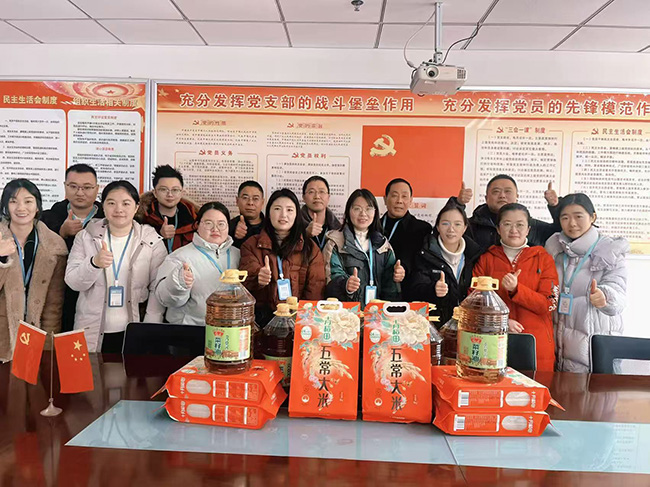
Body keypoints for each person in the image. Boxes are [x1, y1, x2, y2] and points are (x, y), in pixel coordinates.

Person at [65, 181, 167, 353]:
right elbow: (72, 282)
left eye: (126, 203)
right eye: (111, 203)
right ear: (103, 207)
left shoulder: (151, 241)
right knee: (92, 371)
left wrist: (149, 329)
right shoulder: (86, 237)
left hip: (135, 330)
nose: (119, 209)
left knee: (130, 371)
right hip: (90, 330)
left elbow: (157, 289)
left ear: (136, 207)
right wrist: (94, 263)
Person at [545, 194, 628, 373]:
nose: (572, 223)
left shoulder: (609, 251)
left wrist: (604, 296)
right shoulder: (554, 250)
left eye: (578, 216)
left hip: (594, 345)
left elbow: (618, 290)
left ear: (593, 217)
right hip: (557, 343)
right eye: (565, 218)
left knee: (593, 389)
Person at [473, 203, 559, 371]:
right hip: (492, 342)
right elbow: (474, 301)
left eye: (520, 225)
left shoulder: (543, 258)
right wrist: (502, 321)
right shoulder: (486, 259)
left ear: (528, 229)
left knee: (535, 386)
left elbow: (548, 304)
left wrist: (517, 290)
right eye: (507, 224)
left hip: (536, 345)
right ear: (498, 229)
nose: (514, 230)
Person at [0, 179, 67, 361]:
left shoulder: (55, 245)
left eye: (28, 201)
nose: (21, 208)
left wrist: (48, 347)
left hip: (35, 336)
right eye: (13, 201)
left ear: (37, 206)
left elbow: (53, 305)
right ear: (5, 206)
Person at [239, 188, 325, 326]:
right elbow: (244, 284)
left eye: (289, 210)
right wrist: (258, 278)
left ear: (296, 215)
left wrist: (305, 324)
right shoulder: (251, 245)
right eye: (277, 209)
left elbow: (315, 290)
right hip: (260, 323)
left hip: (299, 322)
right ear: (269, 213)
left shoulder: (310, 249)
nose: (283, 215)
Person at [41, 163, 104, 332]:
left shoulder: (109, 217)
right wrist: (60, 232)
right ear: (65, 186)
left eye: (87, 187)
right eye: (73, 186)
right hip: (57, 293)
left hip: (97, 294)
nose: (80, 193)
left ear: (97, 189)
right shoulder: (47, 218)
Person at [154, 202, 240, 326]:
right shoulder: (180, 257)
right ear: (198, 225)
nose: (215, 229)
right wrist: (178, 283)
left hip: (230, 328)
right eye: (208, 223)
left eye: (221, 224)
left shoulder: (238, 255)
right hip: (191, 330)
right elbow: (164, 299)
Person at [323, 189, 403, 308]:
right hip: (346, 314)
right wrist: (345, 285)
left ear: (375, 212)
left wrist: (396, 276)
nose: (363, 214)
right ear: (348, 211)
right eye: (357, 209)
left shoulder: (383, 246)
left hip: (376, 314)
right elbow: (331, 279)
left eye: (368, 209)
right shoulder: (335, 243)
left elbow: (390, 290)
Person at [407, 200, 482, 325]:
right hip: (436, 326)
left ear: (465, 228)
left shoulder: (474, 255)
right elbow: (414, 290)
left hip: (468, 325)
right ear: (437, 227)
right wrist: (433, 290)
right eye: (445, 223)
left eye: (457, 224)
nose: (451, 229)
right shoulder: (425, 254)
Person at [453, 176, 560, 252]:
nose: (502, 196)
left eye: (508, 191)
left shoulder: (533, 226)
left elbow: (562, 234)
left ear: (517, 196)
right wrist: (458, 204)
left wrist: (555, 207)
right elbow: (446, 232)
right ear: (486, 198)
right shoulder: (471, 226)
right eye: (496, 191)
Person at [381, 178, 432, 290]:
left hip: (406, 291)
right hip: (375, 288)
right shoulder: (374, 227)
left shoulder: (422, 229)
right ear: (385, 199)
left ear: (410, 200)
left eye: (404, 196)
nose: (399, 201)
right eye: (394, 195)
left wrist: (404, 268)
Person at [140, 165, 198, 253]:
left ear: (182, 192)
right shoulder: (141, 218)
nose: (170, 194)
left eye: (175, 190)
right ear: (155, 193)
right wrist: (159, 235)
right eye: (163, 190)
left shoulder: (195, 218)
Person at [301, 175, 341, 250]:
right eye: (311, 192)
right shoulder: (293, 223)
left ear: (328, 197)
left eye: (322, 191)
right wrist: (305, 235)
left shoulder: (338, 229)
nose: (317, 196)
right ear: (303, 198)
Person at [229, 181, 265, 249]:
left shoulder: (270, 226)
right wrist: (234, 236)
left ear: (262, 203)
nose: (250, 203)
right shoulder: (228, 226)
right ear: (237, 201)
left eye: (255, 198)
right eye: (245, 198)